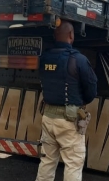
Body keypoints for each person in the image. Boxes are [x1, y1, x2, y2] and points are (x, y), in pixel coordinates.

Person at [36, 20, 98, 181]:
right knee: (73, 163)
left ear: (55, 36)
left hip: (48, 118)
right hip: (69, 121)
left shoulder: (44, 58)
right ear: (71, 35)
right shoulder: (78, 60)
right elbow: (92, 89)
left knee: (47, 161)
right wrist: (79, 101)